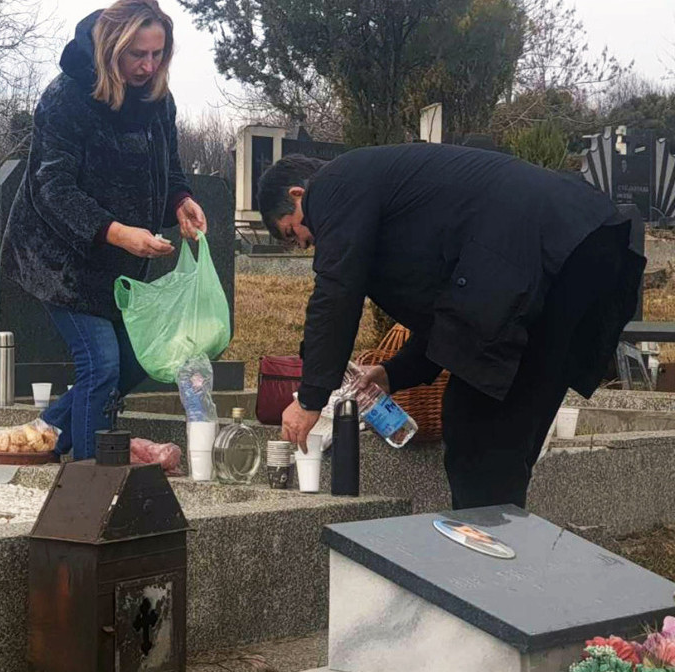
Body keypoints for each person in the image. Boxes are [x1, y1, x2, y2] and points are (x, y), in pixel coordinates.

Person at [263, 144, 644, 510]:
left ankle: (486, 547)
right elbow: (455, 311)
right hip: (582, 243)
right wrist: (393, 373)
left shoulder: (332, 183)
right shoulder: (391, 194)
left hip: (536, 251)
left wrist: (310, 398)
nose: (306, 244)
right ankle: (506, 540)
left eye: (293, 232)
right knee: (508, 435)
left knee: (476, 425)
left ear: (299, 194)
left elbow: (336, 293)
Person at [1, 0, 207, 460]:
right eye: (138, 54)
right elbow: (51, 187)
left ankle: (47, 434)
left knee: (138, 359)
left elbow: (169, 166)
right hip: (59, 259)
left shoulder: (158, 99)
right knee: (102, 363)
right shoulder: (67, 97)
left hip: (122, 263)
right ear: (113, 47)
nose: (148, 66)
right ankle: (90, 474)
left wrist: (181, 200)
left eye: (157, 54)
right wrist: (117, 232)